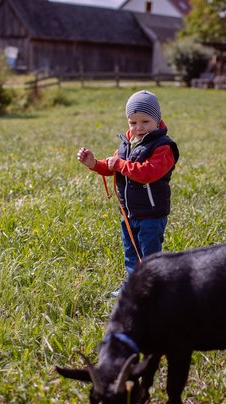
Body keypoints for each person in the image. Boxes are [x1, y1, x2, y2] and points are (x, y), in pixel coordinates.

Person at [77, 90, 179, 294]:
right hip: (129, 213)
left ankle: (153, 291)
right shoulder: (128, 143)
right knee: (131, 253)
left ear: (157, 120)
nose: (138, 127)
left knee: (149, 255)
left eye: (145, 121)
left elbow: (148, 173)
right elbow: (113, 165)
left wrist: (121, 164)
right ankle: (133, 289)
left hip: (151, 213)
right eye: (133, 122)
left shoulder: (163, 147)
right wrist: (95, 164)